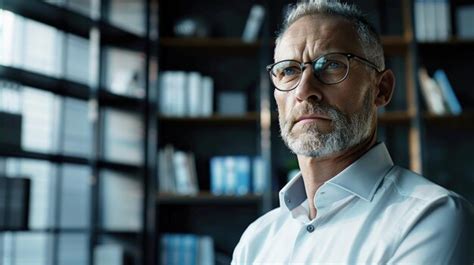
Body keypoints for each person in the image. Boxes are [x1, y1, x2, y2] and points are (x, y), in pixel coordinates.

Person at [231, 0, 473, 264]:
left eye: (332, 65)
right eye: (289, 71)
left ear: (381, 89)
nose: (303, 91)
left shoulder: (432, 216)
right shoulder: (256, 240)